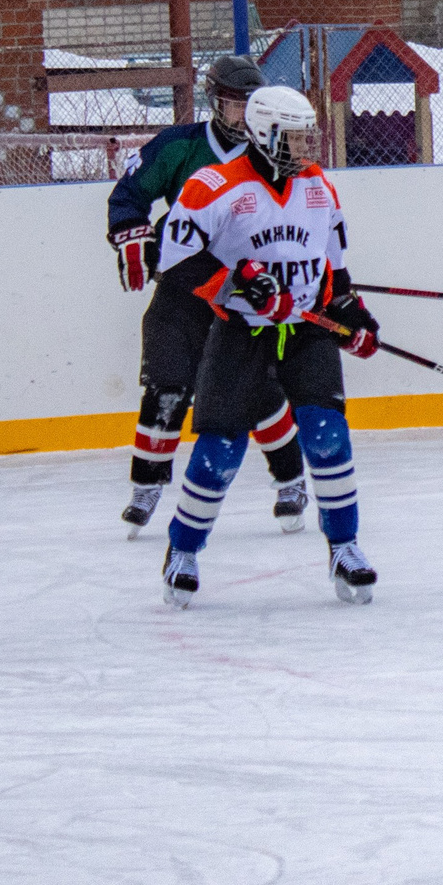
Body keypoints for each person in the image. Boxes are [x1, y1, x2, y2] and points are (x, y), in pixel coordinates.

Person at [151, 84, 382, 608]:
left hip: (305, 329)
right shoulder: (212, 185)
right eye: (294, 137)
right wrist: (241, 282)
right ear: (262, 132)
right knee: (219, 452)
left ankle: (344, 547)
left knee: (327, 435)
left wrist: (352, 317)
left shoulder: (319, 187)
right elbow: (177, 260)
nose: (304, 147)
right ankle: (183, 550)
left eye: (307, 136)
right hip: (240, 333)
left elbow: (333, 274)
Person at [104, 53, 310, 534]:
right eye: (235, 104)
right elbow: (129, 196)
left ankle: (290, 479)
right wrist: (133, 235)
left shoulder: (270, 158)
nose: (244, 114)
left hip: (243, 296)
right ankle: (147, 485)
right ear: (215, 104)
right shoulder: (178, 147)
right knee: (167, 385)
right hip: (186, 287)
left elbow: (294, 218)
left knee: (258, 392)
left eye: (251, 105)